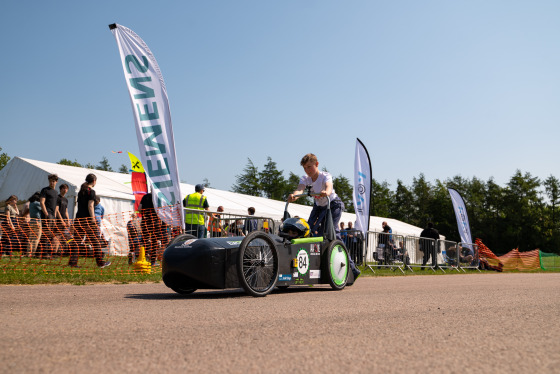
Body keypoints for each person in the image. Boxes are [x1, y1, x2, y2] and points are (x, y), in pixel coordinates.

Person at [288, 153, 360, 280]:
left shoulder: (325, 176)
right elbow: (300, 189)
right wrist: (294, 195)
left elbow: (329, 187)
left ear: (317, 164)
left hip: (332, 204)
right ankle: (312, 267)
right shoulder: (305, 178)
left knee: (333, 233)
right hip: (319, 206)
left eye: (309, 167)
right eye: (305, 168)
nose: (307, 170)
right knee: (307, 230)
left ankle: (352, 269)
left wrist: (325, 192)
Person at [73, 173, 111, 268]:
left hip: (78, 219)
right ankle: (100, 263)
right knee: (96, 241)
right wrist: (93, 219)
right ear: (94, 181)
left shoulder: (81, 191)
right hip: (88, 220)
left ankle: (72, 263)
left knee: (77, 241)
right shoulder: (91, 192)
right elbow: (90, 206)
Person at [139, 191, 164, 266]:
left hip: (145, 221)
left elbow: (139, 208)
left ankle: (142, 258)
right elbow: (161, 210)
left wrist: (145, 215)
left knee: (144, 240)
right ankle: (153, 261)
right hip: (155, 222)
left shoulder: (145, 197)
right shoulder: (159, 198)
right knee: (154, 242)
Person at [39, 174, 59, 257]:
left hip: (53, 216)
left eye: (53, 181)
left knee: (50, 234)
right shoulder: (45, 190)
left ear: (56, 182)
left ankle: (49, 252)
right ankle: (44, 253)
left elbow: (55, 206)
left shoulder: (56, 192)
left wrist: (54, 216)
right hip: (47, 214)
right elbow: (42, 202)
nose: (52, 182)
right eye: (50, 181)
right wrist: (46, 214)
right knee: (45, 234)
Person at [52, 184, 70, 256]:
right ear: (60, 189)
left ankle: (56, 252)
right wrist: (61, 220)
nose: (65, 190)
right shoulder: (58, 198)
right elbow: (56, 210)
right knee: (56, 236)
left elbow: (66, 211)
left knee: (59, 236)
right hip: (58, 220)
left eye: (66, 189)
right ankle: (53, 252)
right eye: (63, 188)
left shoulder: (66, 199)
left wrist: (68, 220)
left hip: (63, 221)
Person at [26, 192, 42, 257]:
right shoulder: (37, 203)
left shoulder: (31, 203)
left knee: (31, 238)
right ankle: (33, 253)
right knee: (36, 238)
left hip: (31, 221)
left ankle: (28, 253)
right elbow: (43, 208)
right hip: (37, 221)